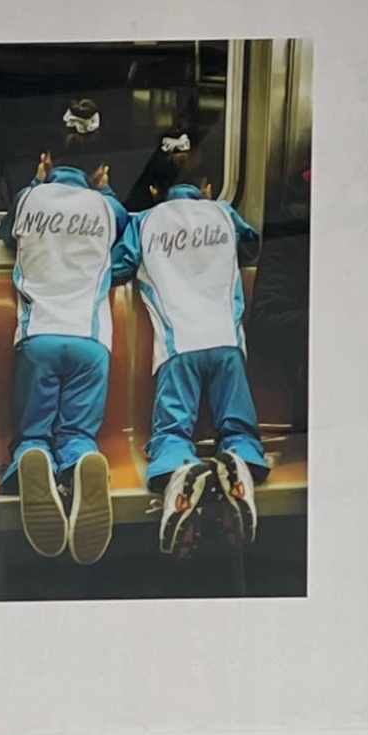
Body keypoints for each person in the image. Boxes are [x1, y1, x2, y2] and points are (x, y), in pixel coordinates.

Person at [0, 131, 136, 563]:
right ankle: (80, 458)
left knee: (34, 430)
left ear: (47, 158)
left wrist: (39, 184)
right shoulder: (107, 207)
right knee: (77, 431)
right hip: (90, 340)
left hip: (39, 335)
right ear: (99, 171)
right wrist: (106, 189)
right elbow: (123, 230)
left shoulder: (28, 199)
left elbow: (6, 233)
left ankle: (33, 456)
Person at [130, 139, 267, 552]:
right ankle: (241, 463)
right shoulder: (223, 213)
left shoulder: (144, 222)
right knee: (238, 424)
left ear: (154, 190)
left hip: (179, 347)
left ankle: (179, 469)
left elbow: (119, 263)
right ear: (208, 186)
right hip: (226, 342)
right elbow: (250, 244)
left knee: (172, 430)